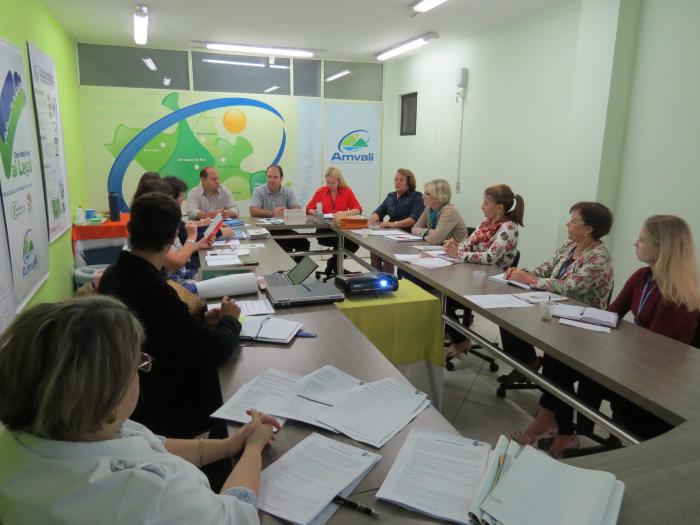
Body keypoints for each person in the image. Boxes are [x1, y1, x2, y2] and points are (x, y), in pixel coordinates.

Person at [0, 295, 280, 524]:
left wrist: (231, 444)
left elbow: (155, 444)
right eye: (137, 363)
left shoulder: (43, 432)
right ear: (107, 399)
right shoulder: (146, 494)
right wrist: (253, 449)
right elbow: (238, 516)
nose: (141, 369)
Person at [99, 192, 242, 441]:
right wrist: (230, 320)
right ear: (174, 236)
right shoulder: (156, 292)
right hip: (164, 403)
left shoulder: (114, 275)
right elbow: (211, 351)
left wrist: (202, 320)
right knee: (234, 380)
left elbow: (168, 332)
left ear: (130, 230)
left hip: (133, 391)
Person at [577, 215, 700, 441]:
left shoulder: (676, 296)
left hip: (656, 382)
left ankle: (572, 434)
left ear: (660, 249)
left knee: (577, 369)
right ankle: (572, 432)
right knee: (567, 363)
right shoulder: (642, 276)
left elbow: (655, 350)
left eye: (642, 240)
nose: (635, 243)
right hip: (637, 364)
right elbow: (611, 314)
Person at [506, 202, 614, 457]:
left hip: (584, 331)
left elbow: (570, 286)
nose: (567, 224)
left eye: (573, 221)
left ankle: (552, 424)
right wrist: (522, 273)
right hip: (559, 320)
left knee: (557, 367)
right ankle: (558, 427)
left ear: (588, 229)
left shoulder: (598, 258)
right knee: (553, 362)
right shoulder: (569, 246)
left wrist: (530, 281)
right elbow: (547, 268)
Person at [443, 184, 524, 359]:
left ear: (499, 208)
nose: (481, 206)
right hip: (471, 276)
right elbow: (467, 243)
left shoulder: (509, 228)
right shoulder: (486, 224)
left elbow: (490, 257)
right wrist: (455, 247)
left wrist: (459, 254)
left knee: (441, 297)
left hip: (492, 285)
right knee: (437, 293)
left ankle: (459, 338)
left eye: (486, 203)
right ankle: (456, 335)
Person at [306, 167, 362, 276]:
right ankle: (337, 267)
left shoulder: (347, 191)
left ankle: (333, 263)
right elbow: (309, 208)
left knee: (354, 244)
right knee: (341, 243)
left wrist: (344, 213)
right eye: (328, 182)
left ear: (339, 181)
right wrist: (316, 213)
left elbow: (358, 209)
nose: (330, 185)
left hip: (341, 229)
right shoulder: (321, 191)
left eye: (333, 183)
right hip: (325, 231)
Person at [249, 164, 310, 260]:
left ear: (281, 179)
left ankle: (295, 274)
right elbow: (253, 210)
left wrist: (286, 212)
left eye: (275, 177)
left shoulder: (288, 191)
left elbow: (297, 209)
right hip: (265, 231)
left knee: (304, 243)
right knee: (283, 247)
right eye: (269, 177)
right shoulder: (259, 191)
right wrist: (272, 213)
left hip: (283, 230)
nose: (271, 180)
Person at [369, 168, 424, 272]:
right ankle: (376, 277)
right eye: (396, 179)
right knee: (374, 247)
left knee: (389, 252)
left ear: (409, 183)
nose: (397, 182)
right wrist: (374, 217)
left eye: (401, 180)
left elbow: (413, 219)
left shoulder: (416, 196)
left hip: (408, 235)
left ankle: (388, 280)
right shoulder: (391, 196)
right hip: (390, 234)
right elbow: (379, 212)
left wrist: (393, 224)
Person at [162, 175, 211, 289]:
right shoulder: (161, 224)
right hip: (174, 283)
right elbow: (176, 263)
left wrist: (197, 246)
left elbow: (177, 252)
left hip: (180, 275)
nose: (183, 199)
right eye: (181, 195)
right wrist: (192, 237)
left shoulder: (169, 218)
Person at [411, 179, 469, 245]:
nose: (423, 196)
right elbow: (414, 229)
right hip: (438, 248)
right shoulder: (429, 208)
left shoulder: (449, 211)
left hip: (456, 251)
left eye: (427, 194)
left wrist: (425, 235)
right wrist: (428, 231)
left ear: (439, 196)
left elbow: (435, 240)